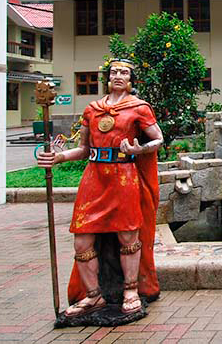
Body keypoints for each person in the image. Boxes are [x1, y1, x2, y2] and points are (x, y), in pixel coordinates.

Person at [37, 59, 163, 317]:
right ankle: (93, 296)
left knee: (128, 236)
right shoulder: (92, 110)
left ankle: (130, 290)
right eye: (114, 71)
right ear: (107, 77)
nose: (119, 75)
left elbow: (158, 139)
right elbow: (84, 149)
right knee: (82, 239)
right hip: (94, 177)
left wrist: (140, 149)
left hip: (124, 176)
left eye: (124, 72)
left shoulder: (140, 108)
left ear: (131, 80)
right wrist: (59, 157)